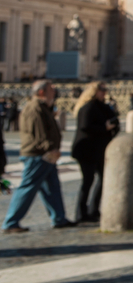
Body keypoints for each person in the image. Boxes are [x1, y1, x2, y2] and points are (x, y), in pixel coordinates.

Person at [2, 80, 75, 233]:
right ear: (41, 92)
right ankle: (11, 222)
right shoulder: (35, 108)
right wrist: (50, 148)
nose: (54, 92)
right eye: (51, 90)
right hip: (38, 155)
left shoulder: (43, 107)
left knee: (52, 188)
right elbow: (39, 134)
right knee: (28, 188)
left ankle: (59, 218)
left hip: (46, 155)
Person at [71, 82, 117, 223]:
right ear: (94, 91)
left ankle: (93, 209)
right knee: (88, 181)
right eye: (102, 90)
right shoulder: (88, 107)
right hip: (87, 150)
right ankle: (81, 213)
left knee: (102, 179)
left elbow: (113, 117)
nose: (104, 92)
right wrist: (105, 128)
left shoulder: (101, 106)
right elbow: (86, 126)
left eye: (105, 90)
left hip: (98, 149)